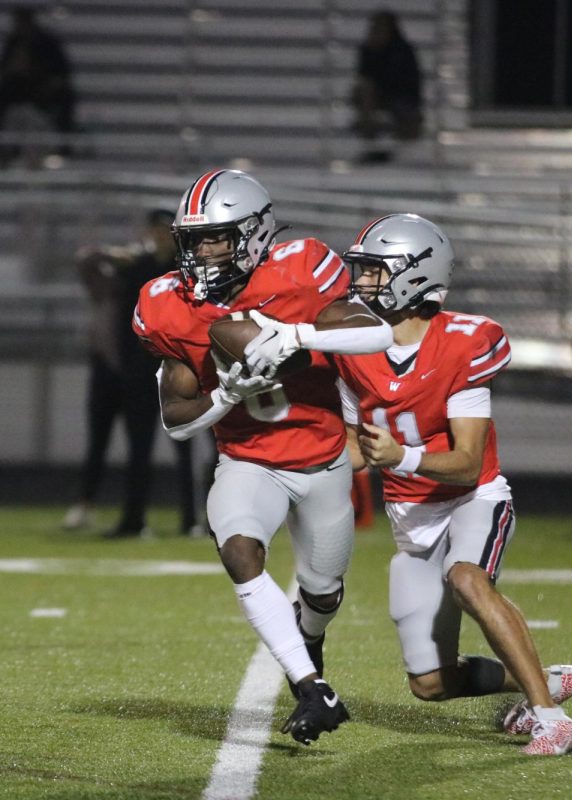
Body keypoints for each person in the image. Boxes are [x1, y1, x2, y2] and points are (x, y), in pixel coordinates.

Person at [131, 169, 394, 745]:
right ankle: (310, 687)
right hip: (248, 458)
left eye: (215, 238)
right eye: (193, 239)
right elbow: (176, 420)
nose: (200, 252)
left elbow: (377, 333)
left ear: (253, 234)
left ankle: (311, 647)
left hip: (324, 459)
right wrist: (226, 393)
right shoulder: (166, 304)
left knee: (322, 592)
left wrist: (295, 338)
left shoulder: (301, 268)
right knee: (239, 551)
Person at [332, 214, 572, 756]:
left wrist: (404, 455)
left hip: (472, 498)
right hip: (412, 518)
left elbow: (468, 463)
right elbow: (357, 446)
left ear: (413, 275)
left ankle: (551, 720)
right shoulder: (353, 351)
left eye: (376, 272)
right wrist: (294, 470)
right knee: (430, 684)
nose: (363, 283)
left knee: (468, 578)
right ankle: (543, 678)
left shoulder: (463, 341)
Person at [64, 209, 199, 538]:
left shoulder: (188, 270)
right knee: (139, 447)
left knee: (187, 449)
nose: (161, 236)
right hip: (143, 371)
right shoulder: (137, 268)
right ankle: (134, 517)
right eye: (157, 230)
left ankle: (192, 519)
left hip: (180, 369)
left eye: (167, 230)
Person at [0, 8, 74, 143]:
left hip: (43, 86)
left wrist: (50, 80)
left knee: (66, 95)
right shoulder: (13, 42)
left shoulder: (46, 41)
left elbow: (62, 69)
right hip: (20, 88)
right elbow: (3, 68)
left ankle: (65, 142)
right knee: (1, 92)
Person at [351, 11, 423, 162]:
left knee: (406, 117)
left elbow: (403, 82)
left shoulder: (403, 50)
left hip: (402, 97)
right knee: (365, 90)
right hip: (376, 97)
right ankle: (369, 134)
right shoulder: (367, 49)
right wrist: (373, 53)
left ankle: (386, 143)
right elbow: (364, 76)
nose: (377, 31)